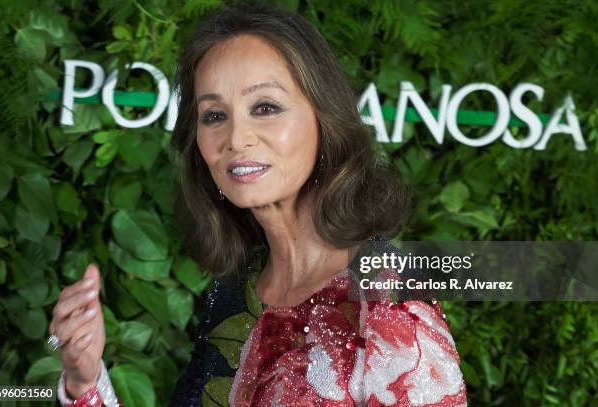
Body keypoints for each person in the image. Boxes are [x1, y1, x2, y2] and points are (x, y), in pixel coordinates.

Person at [47, 3, 467, 406]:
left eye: (265, 107)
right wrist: (85, 381)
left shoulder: (389, 299)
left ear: (324, 120)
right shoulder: (236, 290)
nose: (235, 138)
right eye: (214, 115)